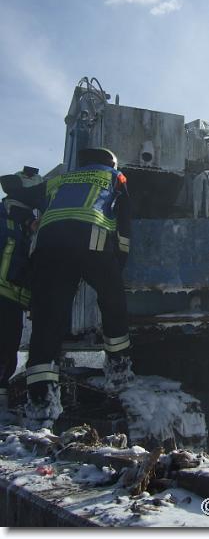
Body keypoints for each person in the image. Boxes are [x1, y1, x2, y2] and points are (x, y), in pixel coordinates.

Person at [0, 147, 132, 429]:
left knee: (48, 321)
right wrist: (118, 263)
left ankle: (40, 403)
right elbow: (124, 226)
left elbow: (12, 191)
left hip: (48, 248)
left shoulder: (59, 181)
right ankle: (119, 367)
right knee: (112, 301)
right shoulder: (115, 177)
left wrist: (28, 214)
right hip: (92, 242)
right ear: (112, 163)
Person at [0, 167, 42, 417]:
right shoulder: (7, 217)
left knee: (9, 347)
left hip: (13, 298)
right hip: (3, 294)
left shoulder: (27, 224)